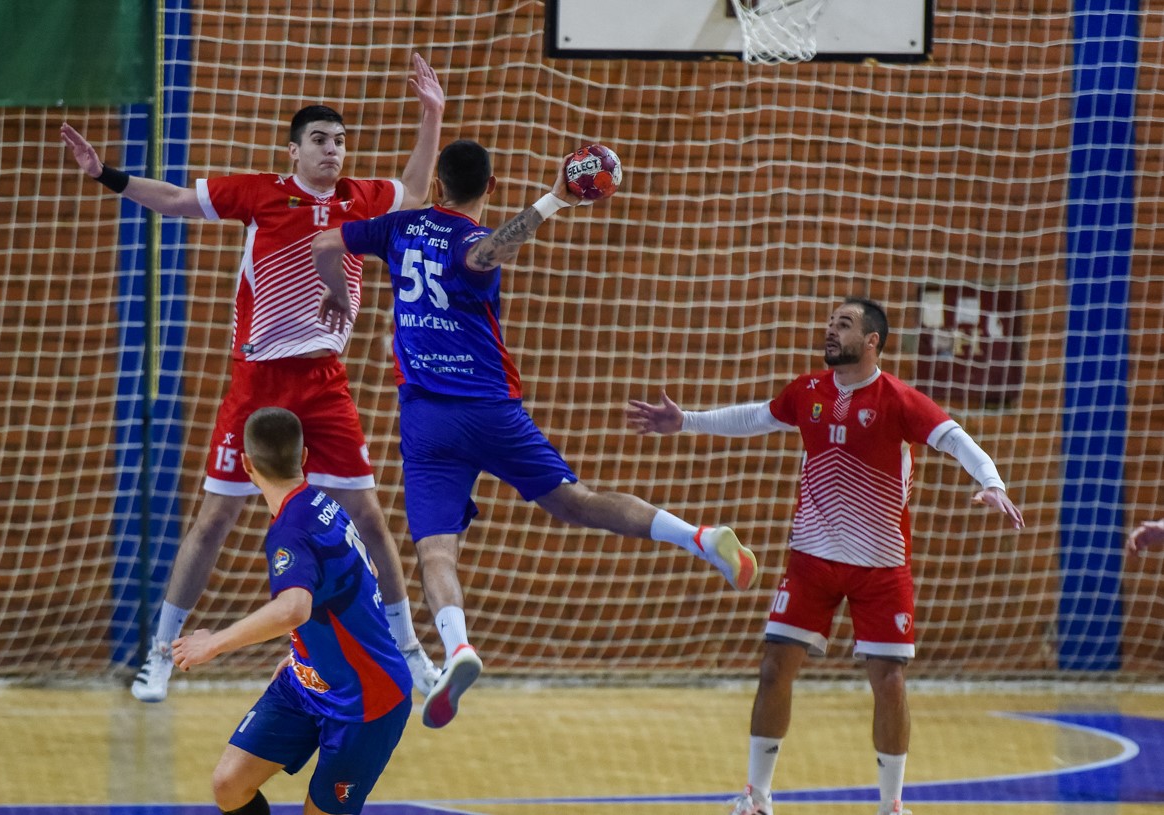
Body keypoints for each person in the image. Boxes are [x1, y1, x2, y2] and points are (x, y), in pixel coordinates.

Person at [312, 140, 757, 730]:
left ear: (437, 184)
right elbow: (484, 253)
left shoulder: (398, 228)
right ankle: (699, 537)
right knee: (578, 502)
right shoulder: (469, 239)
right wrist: (553, 199)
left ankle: (458, 648)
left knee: (436, 551)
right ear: (490, 188)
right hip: (491, 409)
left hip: (427, 421)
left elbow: (324, 242)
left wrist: (337, 292)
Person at [60, 53, 445, 704]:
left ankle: (410, 650)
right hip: (259, 380)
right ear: (294, 151)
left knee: (371, 518)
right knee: (215, 517)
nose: (333, 150)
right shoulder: (260, 193)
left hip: (324, 381)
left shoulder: (361, 199)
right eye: (320, 139)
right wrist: (106, 174)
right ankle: (160, 655)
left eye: (340, 140)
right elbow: (175, 201)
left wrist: (431, 115)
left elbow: (415, 190)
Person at [626, 297, 1026, 815]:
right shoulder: (808, 390)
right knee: (774, 668)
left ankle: (892, 806)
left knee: (889, 682)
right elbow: (756, 416)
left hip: (881, 566)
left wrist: (992, 483)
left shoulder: (898, 399)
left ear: (872, 341)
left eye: (844, 324)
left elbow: (955, 439)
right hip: (811, 560)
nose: (830, 330)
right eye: (830, 323)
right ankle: (757, 798)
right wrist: (687, 421)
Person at [171, 407, 411, 815]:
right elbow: (366, 572)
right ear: (304, 457)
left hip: (365, 701)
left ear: (247, 465)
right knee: (229, 785)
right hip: (307, 680)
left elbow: (294, 609)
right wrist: (307, 651)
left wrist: (212, 644)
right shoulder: (323, 504)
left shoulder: (291, 529)